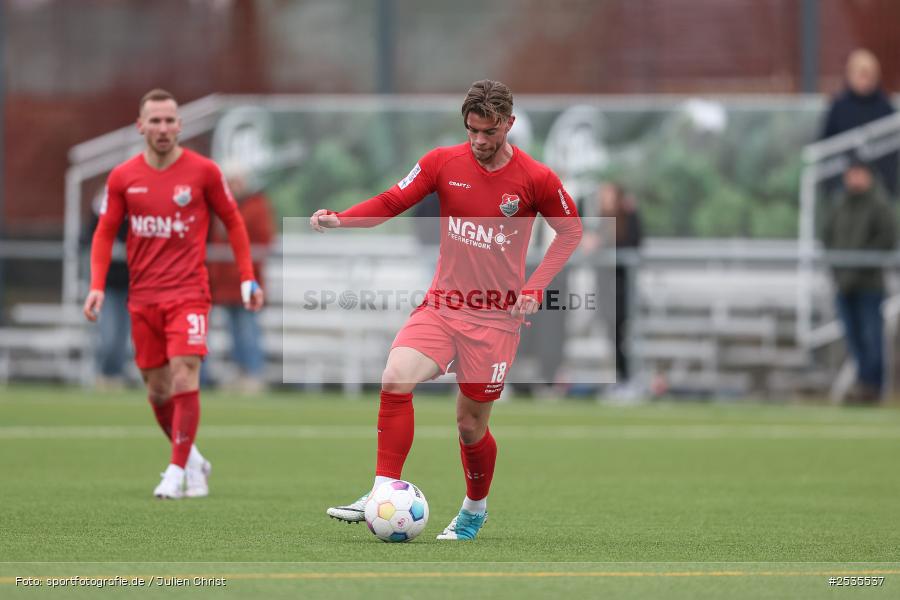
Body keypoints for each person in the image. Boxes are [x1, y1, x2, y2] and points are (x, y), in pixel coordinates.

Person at [310, 79, 582, 540]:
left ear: (509, 125)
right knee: (395, 377)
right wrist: (344, 219)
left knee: (469, 425)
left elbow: (571, 231)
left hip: (495, 319)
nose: (479, 141)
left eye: (489, 132)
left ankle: (474, 509)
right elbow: (393, 200)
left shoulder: (536, 179)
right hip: (443, 305)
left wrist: (535, 287)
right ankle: (381, 491)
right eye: (472, 130)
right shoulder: (442, 162)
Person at [83, 89, 264, 499]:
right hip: (143, 296)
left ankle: (174, 471)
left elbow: (234, 223)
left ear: (180, 126)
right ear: (141, 126)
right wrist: (96, 286)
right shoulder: (123, 177)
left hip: (189, 293)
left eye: (170, 120)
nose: (163, 128)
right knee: (157, 389)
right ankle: (194, 459)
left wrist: (247, 277)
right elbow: (104, 232)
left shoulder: (203, 172)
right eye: (156, 121)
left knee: (185, 372)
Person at [821, 155, 897, 403]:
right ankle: (862, 385)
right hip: (843, 283)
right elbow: (828, 236)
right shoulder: (840, 203)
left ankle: (873, 388)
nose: (854, 177)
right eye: (850, 172)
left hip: (868, 284)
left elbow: (886, 239)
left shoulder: (879, 204)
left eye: (858, 172)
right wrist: (838, 270)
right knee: (854, 339)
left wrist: (856, 268)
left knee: (871, 336)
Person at [206, 166, 275, 392]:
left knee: (248, 330)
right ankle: (240, 372)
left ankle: (253, 373)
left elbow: (262, 239)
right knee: (234, 331)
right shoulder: (219, 207)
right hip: (225, 282)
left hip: (247, 280)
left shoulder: (255, 206)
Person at [583, 182, 643, 395]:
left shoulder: (628, 218)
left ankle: (630, 379)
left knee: (625, 335)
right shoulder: (601, 222)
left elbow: (634, 245)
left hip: (623, 289)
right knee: (612, 336)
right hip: (606, 290)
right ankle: (621, 377)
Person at [821, 49, 897, 196]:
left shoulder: (885, 107)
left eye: (870, 74)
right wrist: (848, 175)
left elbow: (891, 151)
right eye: (862, 73)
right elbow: (827, 147)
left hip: (878, 188)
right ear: (850, 74)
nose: (866, 79)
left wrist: (871, 176)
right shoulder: (839, 107)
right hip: (842, 187)